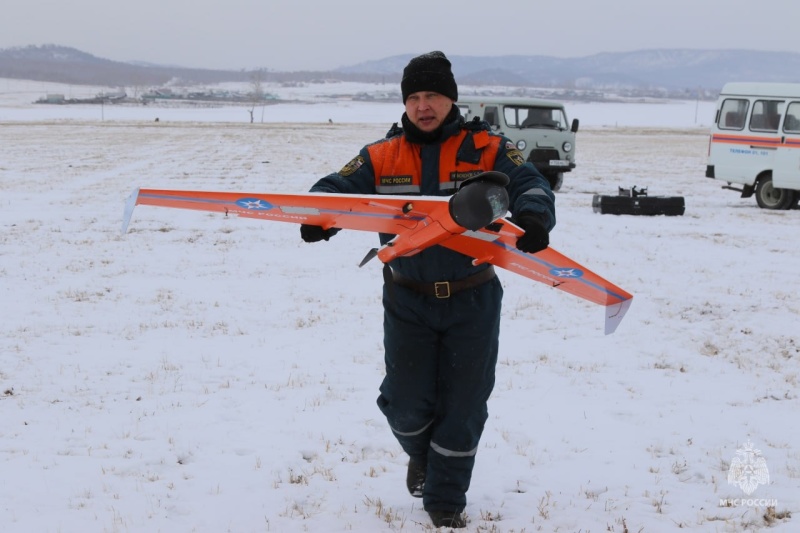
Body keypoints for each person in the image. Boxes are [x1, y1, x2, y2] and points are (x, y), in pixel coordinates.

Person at [300, 51, 555, 529]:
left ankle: (444, 503)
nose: (423, 105)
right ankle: (424, 456)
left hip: (473, 296)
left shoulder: (488, 147)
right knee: (406, 403)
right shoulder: (381, 154)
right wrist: (321, 216)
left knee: (464, 404)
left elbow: (530, 183)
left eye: (432, 95)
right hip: (407, 297)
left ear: (451, 98)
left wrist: (536, 217)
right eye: (414, 96)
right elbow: (336, 187)